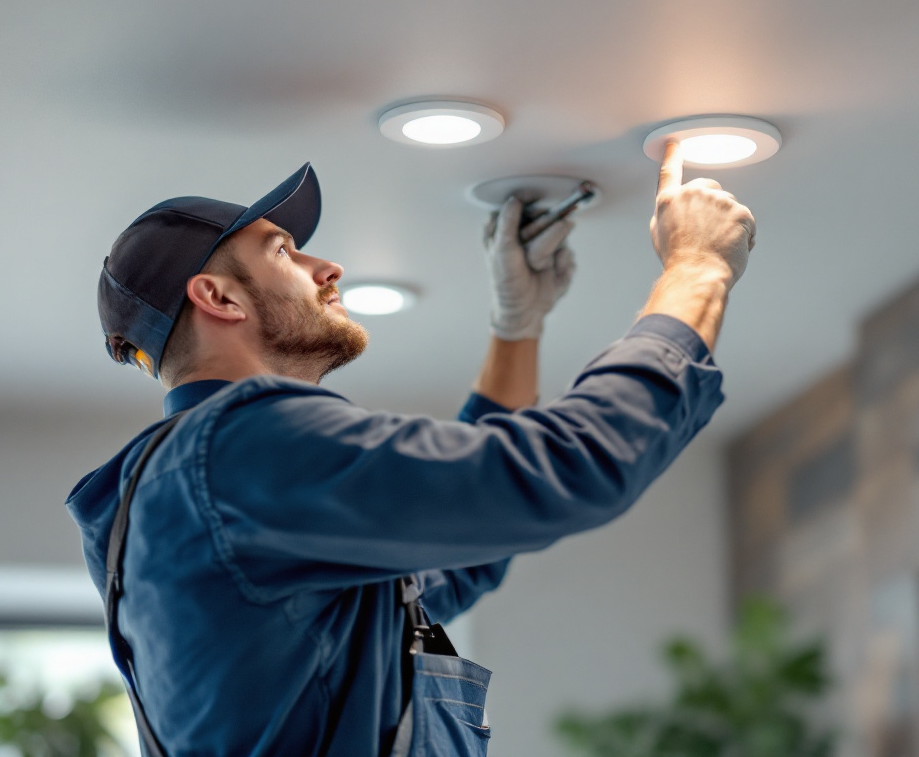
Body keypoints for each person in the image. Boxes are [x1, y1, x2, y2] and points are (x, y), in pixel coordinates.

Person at [66, 140, 755, 757]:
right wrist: (696, 271)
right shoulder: (241, 450)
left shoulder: (172, 489)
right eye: (282, 250)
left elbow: (456, 557)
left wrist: (517, 327)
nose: (326, 266)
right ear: (218, 296)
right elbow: (568, 470)